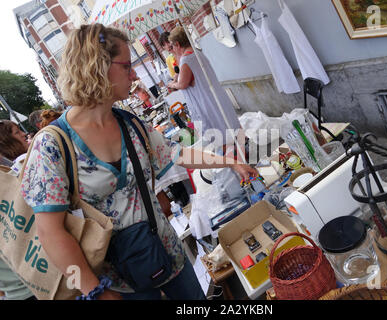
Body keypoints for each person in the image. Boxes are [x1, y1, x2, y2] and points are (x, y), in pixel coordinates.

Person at [20, 23, 257, 300]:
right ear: (98, 67)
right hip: (120, 283)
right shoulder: (52, 146)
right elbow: (50, 234)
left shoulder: (129, 123)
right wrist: (93, 291)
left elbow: (175, 152)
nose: (134, 74)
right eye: (127, 66)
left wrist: (230, 162)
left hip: (168, 256)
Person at [166, 27, 246, 160]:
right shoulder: (196, 52)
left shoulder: (186, 60)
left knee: (219, 131)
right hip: (214, 95)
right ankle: (243, 150)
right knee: (229, 123)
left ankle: (235, 160)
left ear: (178, 44)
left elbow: (183, 84)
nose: (173, 50)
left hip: (205, 102)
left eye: (173, 46)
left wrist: (171, 84)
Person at [0, 120, 35, 300]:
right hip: (39, 284)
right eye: (16, 132)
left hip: (16, 292)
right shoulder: (15, 174)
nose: (23, 133)